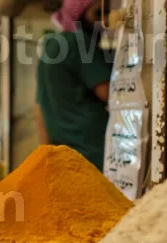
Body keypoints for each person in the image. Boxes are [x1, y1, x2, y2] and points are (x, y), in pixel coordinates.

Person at [36, 0, 113, 170]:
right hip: (93, 152)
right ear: (78, 13)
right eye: (98, 13)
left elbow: (40, 108)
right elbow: (109, 93)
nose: (104, 21)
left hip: (66, 158)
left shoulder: (50, 45)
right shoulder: (79, 43)